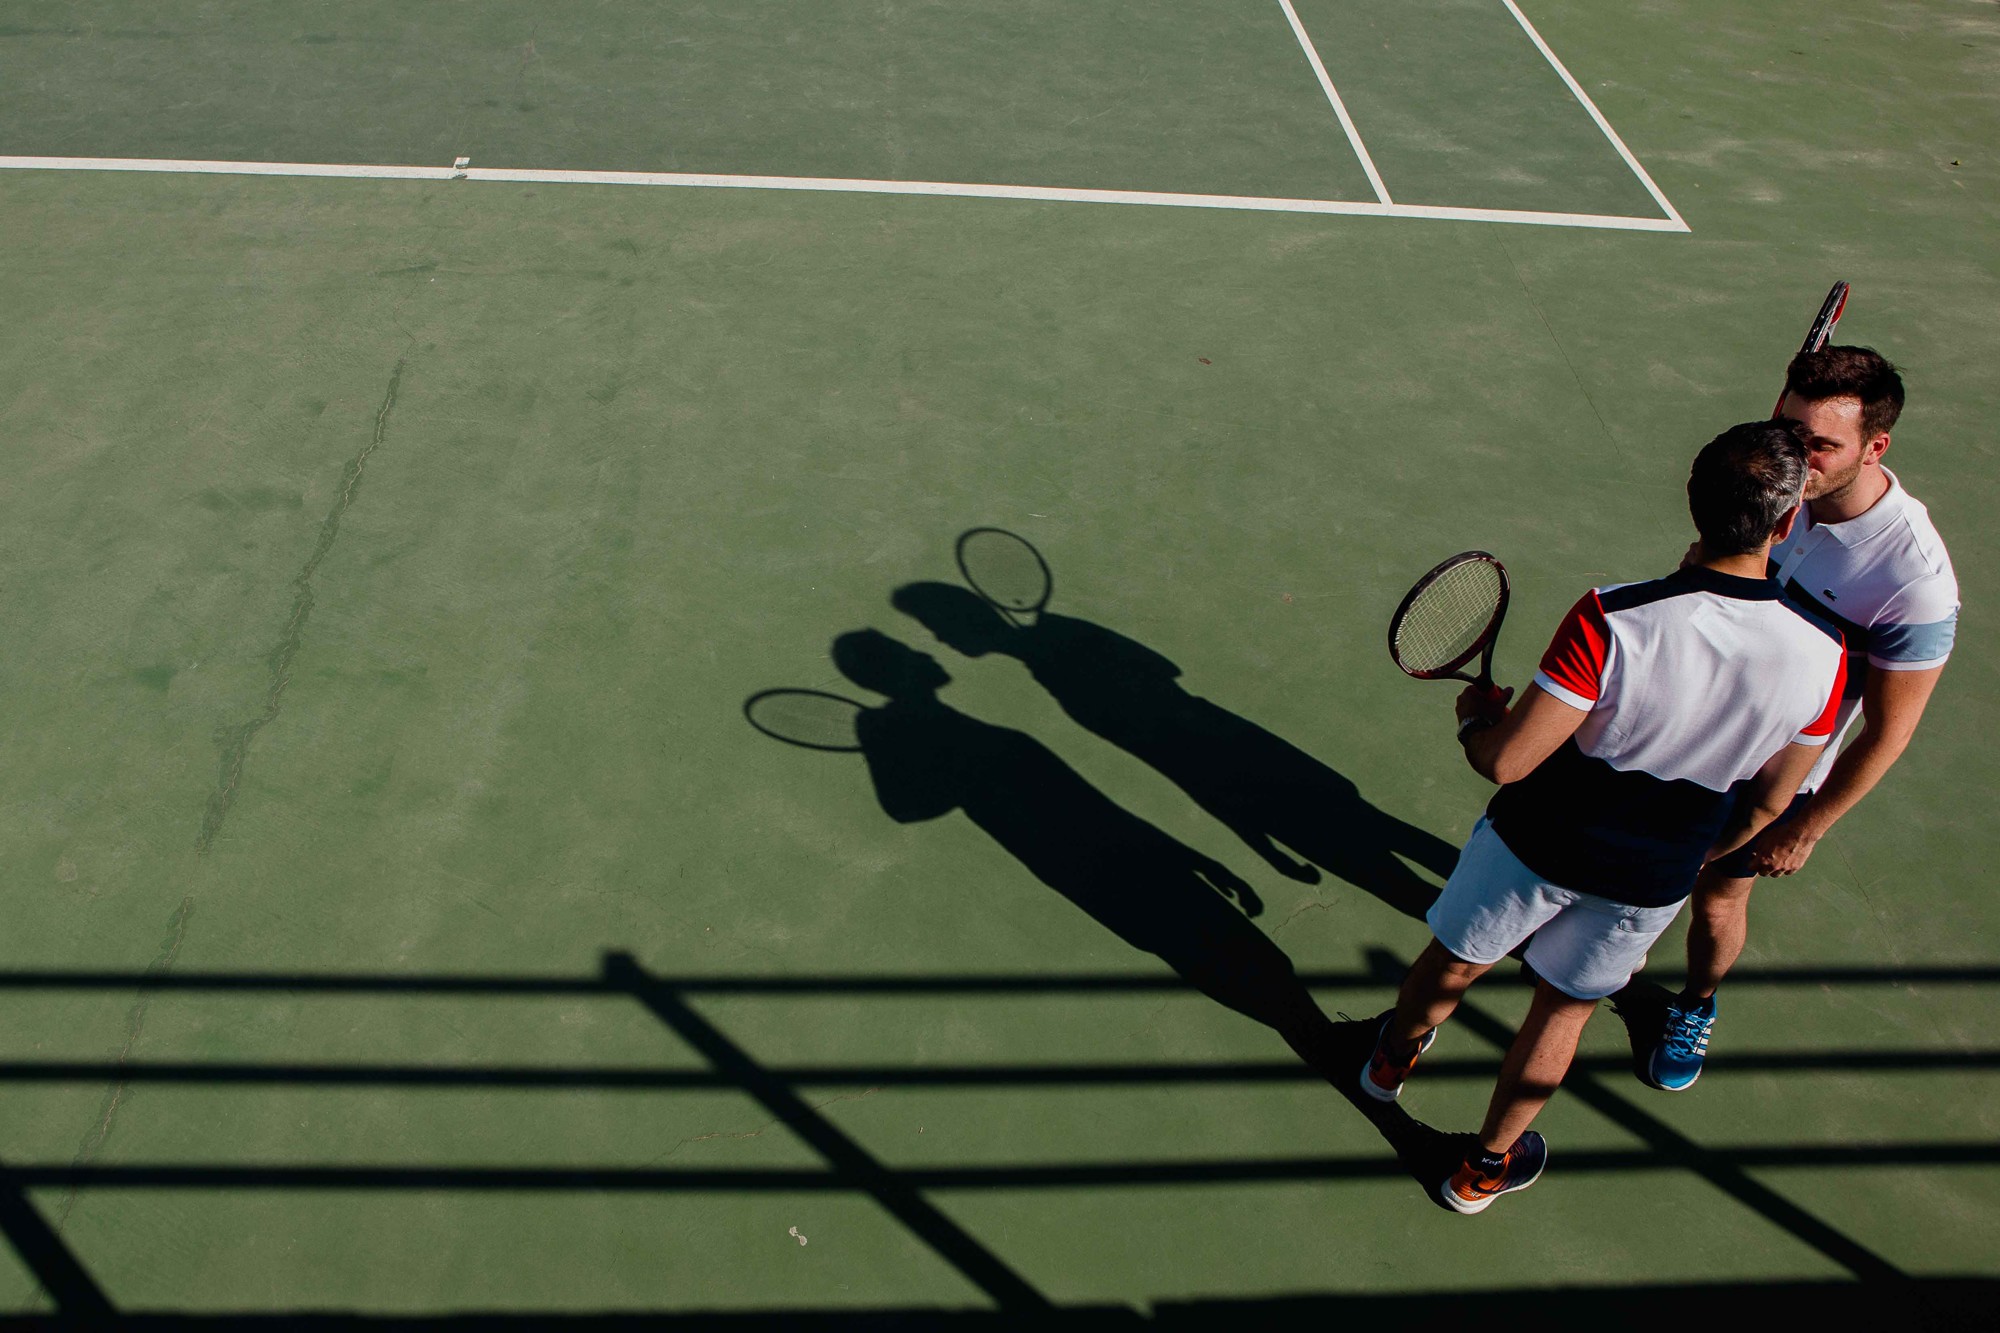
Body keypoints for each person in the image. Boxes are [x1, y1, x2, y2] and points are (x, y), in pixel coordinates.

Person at [1360, 420, 1847, 1215]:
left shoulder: (1611, 616)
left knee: (1454, 958)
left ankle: (1385, 1064)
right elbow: (1767, 800)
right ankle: (1482, 1168)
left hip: (1535, 839)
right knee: (1564, 1010)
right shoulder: (1825, 660)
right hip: (1655, 871)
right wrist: (1697, 852)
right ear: (1788, 523)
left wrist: (1475, 719)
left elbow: (1507, 761)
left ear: (1694, 506)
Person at [1645, 347, 1959, 1092]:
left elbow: (1889, 732)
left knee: (1718, 895)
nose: (1796, 454)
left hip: (1768, 774)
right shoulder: (1776, 485)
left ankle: (1696, 1001)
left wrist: (1805, 825)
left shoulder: (1913, 581)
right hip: (1685, 723)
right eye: (1788, 429)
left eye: (1820, 443)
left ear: (1875, 447)